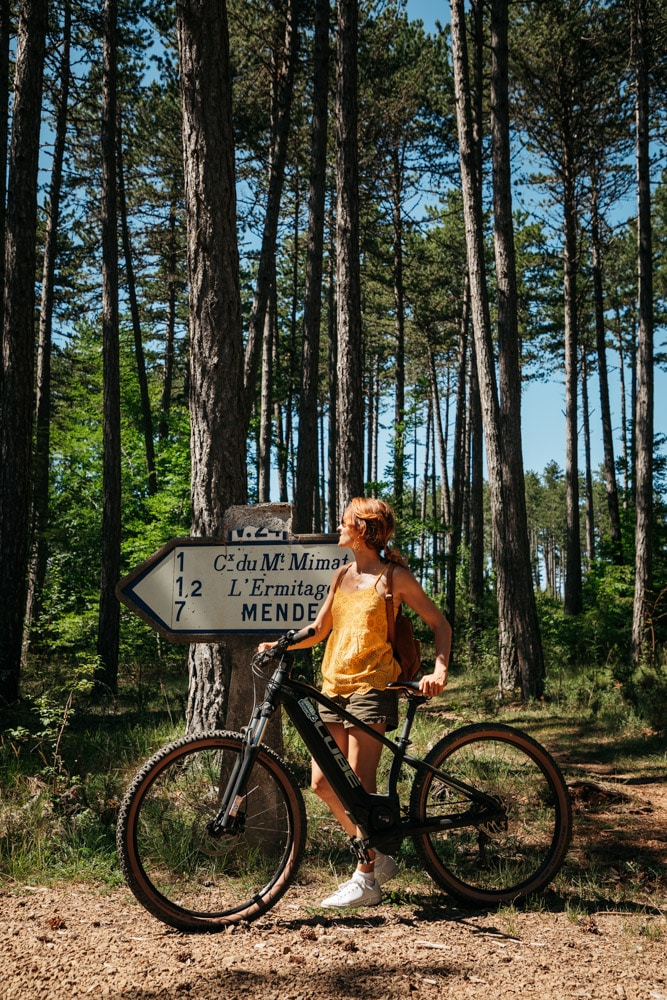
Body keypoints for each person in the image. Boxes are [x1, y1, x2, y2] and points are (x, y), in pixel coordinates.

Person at [258, 496, 451, 910]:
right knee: (323, 784)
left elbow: (440, 624)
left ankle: (366, 880)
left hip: (372, 690)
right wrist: (282, 643)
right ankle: (377, 855)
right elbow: (319, 629)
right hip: (333, 689)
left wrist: (439, 670)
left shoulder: (393, 578)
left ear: (363, 530)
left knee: (360, 793)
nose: (339, 526)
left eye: (345, 521)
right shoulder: (341, 574)